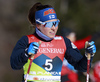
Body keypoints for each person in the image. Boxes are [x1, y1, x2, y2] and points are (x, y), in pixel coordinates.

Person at [10, 2, 96, 82]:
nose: (54, 28)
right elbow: (15, 65)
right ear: (38, 25)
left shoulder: (63, 42)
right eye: (49, 24)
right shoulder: (27, 40)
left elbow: (83, 67)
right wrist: (26, 53)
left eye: (55, 23)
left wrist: (88, 55)